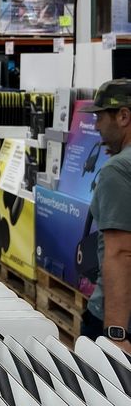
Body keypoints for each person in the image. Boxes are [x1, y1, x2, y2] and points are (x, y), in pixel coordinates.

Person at [82, 79, 131, 354]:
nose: (96, 126)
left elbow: (121, 252)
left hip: (117, 322)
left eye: (100, 117)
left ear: (123, 116)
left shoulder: (118, 170)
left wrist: (115, 333)